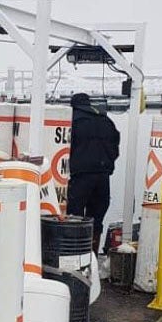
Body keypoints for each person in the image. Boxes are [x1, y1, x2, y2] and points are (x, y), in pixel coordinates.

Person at [67, 93, 120, 252]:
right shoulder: (106, 121)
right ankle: (92, 257)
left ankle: (75, 254)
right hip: (103, 176)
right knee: (96, 218)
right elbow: (115, 148)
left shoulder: (73, 120)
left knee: (74, 218)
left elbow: (66, 147)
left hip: (81, 175)